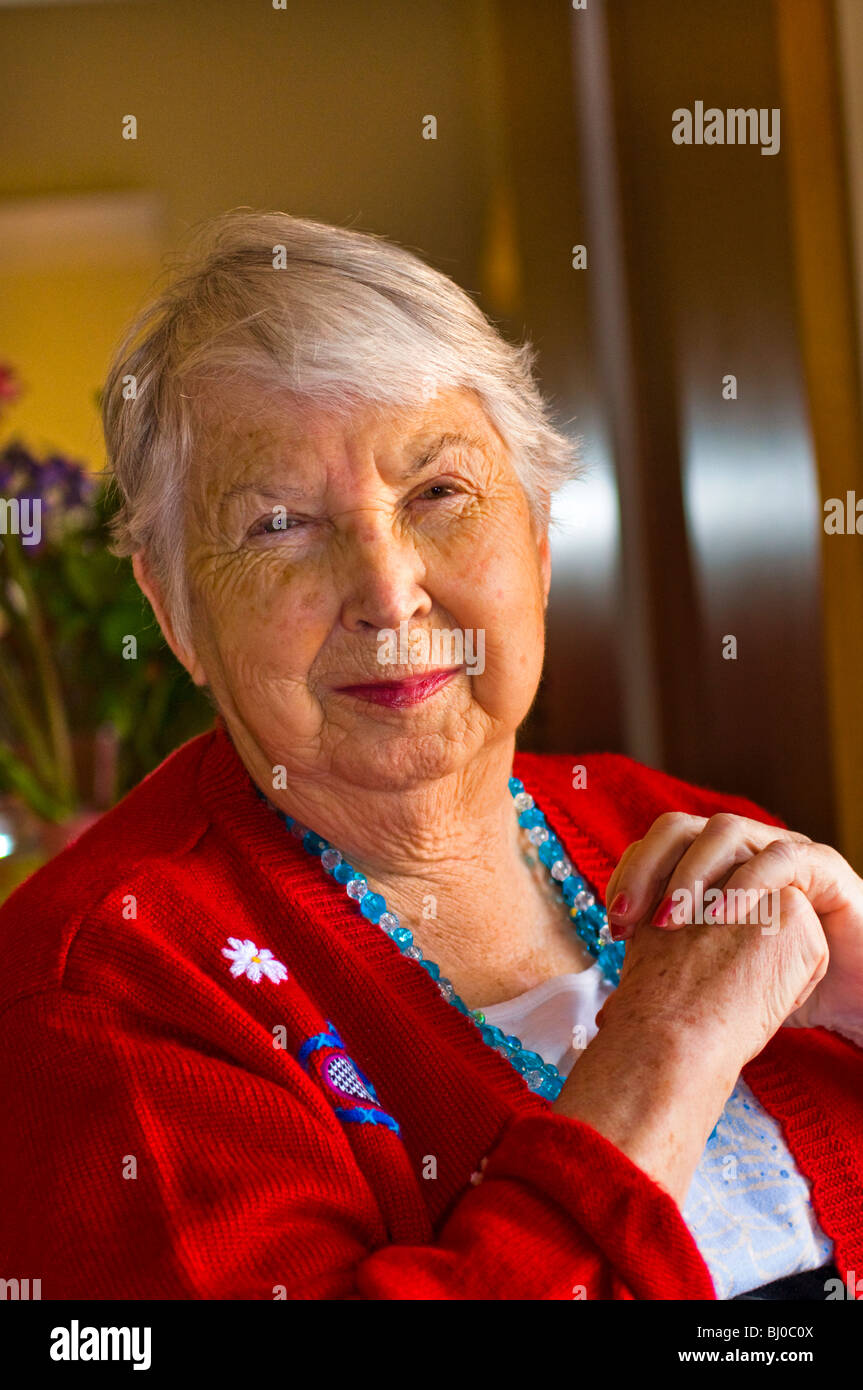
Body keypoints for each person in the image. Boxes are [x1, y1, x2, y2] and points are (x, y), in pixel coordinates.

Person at [1, 209, 861, 1300]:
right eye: (277, 525)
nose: (388, 591)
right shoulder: (96, 991)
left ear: (539, 541)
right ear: (175, 614)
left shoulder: (673, 820)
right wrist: (661, 1056)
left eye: (438, 494)